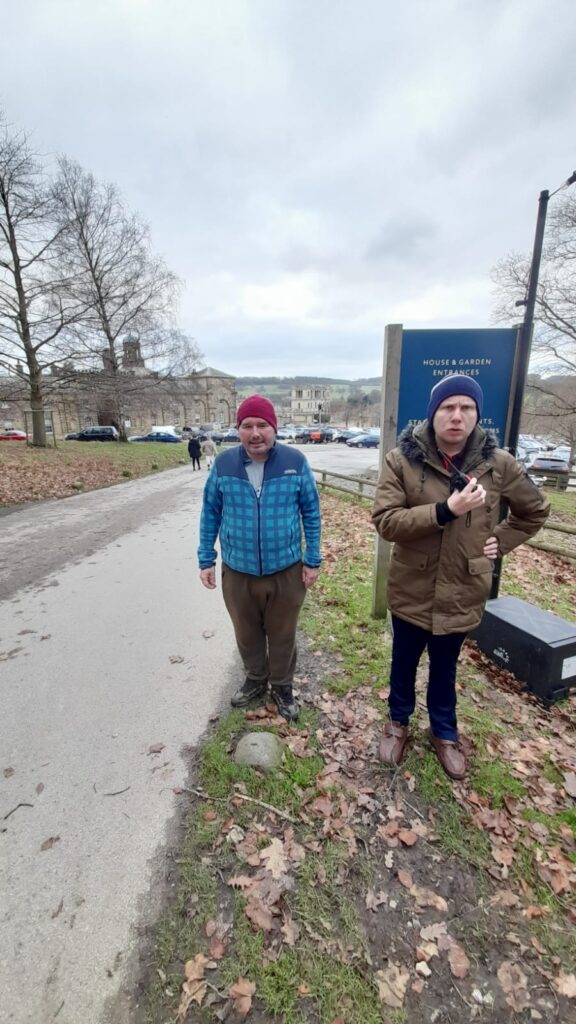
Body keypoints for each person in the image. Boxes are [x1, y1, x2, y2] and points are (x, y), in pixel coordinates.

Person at [372, 374, 550, 779]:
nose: (457, 416)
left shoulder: (499, 464)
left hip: (463, 589)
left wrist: (500, 541)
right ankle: (397, 722)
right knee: (403, 663)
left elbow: (535, 511)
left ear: (477, 416)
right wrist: (444, 510)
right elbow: (386, 521)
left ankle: (444, 731)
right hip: (412, 587)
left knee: (446, 666)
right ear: (433, 414)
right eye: (447, 408)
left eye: (466, 408)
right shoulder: (401, 460)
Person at [198, 395, 321, 721]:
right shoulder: (224, 465)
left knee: (283, 634)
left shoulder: (295, 461)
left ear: (274, 428)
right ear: (238, 430)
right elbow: (210, 512)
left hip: (286, 570)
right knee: (247, 632)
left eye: (262, 425)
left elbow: (311, 511)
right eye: (247, 426)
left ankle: (282, 687)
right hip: (238, 571)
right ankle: (255, 678)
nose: (255, 433)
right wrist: (205, 558)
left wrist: (313, 559)